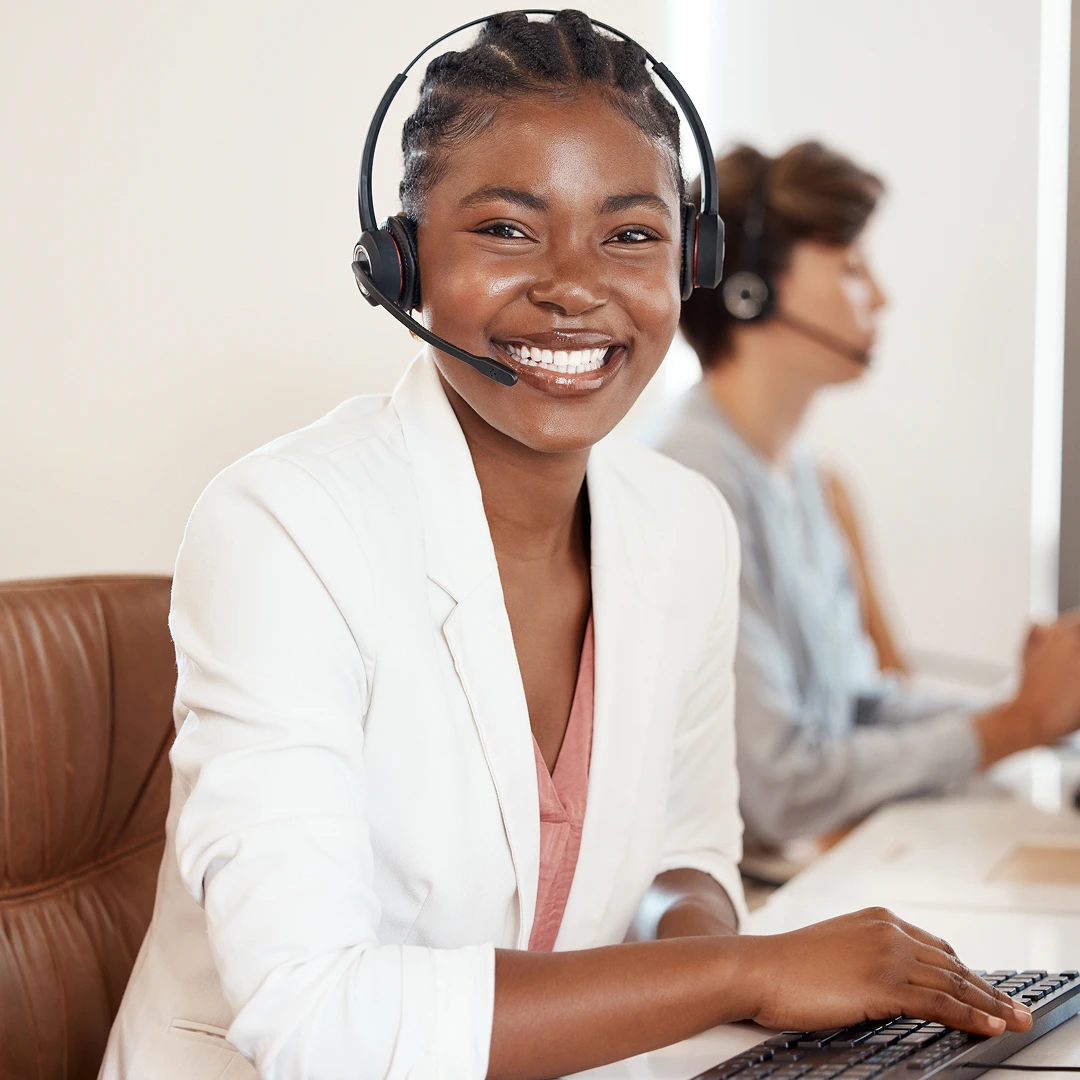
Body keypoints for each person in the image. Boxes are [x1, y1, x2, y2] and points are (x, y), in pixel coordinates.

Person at [99, 23, 1030, 1080]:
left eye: (631, 236)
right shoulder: (284, 527)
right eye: (507, 229)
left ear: (695, 262)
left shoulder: (683, 525)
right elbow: (319, 1019)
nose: (574, 287)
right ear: (401, 262)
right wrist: (745, 973)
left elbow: (685, 857)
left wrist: (722, 970)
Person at [645, 141, 1080, 851]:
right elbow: (780, 789)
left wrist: (1042, 711)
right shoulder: (694, 476)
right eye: (851, 267)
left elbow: (857, 707)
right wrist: (1016, 725)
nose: (880, 296)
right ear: (748, 287)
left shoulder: (801, 473)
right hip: (750, 898)